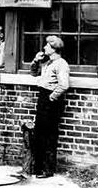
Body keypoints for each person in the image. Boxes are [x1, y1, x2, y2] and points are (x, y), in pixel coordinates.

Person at [30, 35, 70, 178]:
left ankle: (48, 169)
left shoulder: (61, 64)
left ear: (54, 49)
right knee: (39, 133)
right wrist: (36, 60)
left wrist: (51, 97)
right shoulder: (46, 62)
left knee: (49, 135)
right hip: (43, 99)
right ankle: (38, 167)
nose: (44, 47)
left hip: (51, 102)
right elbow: (33, 73)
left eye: (47, 45)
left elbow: (64, 85)